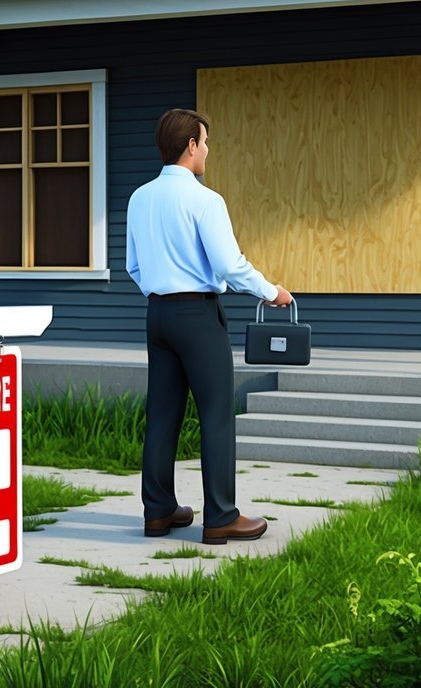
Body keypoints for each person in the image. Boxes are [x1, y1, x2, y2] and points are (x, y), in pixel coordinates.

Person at [126, 108, 293, 545]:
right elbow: (228, 265)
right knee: (216, 415)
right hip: (197, 316)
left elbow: (134, 266)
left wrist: (161, 289)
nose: (208, 150)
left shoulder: (139, 198)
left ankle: (158, 512)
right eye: (205, 142)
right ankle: (220, 517)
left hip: (157, 313)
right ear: (191, 146)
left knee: (162, 414)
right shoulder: (205, 200)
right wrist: (270, 291)